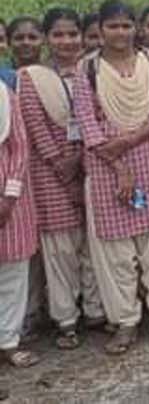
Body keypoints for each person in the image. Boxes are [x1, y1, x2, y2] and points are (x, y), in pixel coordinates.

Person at [71, 0, 149, 354]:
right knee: (115, 251)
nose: (120, 32)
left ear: (135, 28)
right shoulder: (87, 68)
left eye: (126, 25)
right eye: (113, 26)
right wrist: (119, 166)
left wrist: (127, 141)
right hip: (105, 166)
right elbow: (87, 123)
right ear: (101, 29)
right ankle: (125, 321)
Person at [20, 8, 104, 351]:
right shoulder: (31, 77)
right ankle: (66, 319)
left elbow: (100, 117)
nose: (66, 41)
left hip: (93, 164)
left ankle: (96, 311)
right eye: (58, 34)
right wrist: (62, 166)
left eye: (72, 34)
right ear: (46, 38)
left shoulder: (92, 71)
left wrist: (82, 159)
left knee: (93, 244)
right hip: (49, 172)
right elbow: (35, 127)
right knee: (60, 249)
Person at [0, 65, 39, 369]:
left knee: (13, 273)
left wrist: (9, 196)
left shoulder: (4, 93)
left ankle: (8, 343)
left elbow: (20, 147)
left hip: (9, 197)